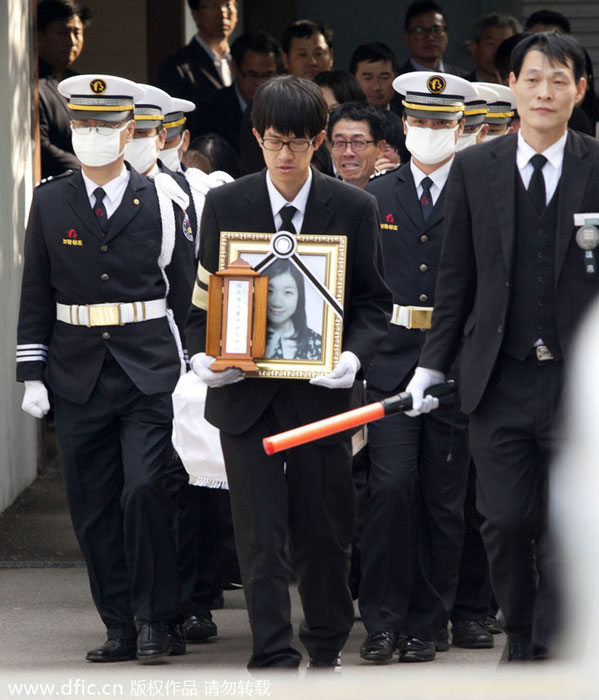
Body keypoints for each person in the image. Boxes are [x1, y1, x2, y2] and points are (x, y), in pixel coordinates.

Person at [185, 74, 391, 670]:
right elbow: (201, 302)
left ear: (320, 141)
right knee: (258, 535)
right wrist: (204, 358)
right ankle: (271, 656)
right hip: (245, 396)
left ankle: (324, 650)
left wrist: (352, 358)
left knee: (324, 533)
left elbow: (375, 304)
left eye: (299, 143)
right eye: (275, 141)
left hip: (322, 399)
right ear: (257, 138)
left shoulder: (354, 206)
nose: (285, 155)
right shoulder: (226, 205)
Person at [406, 32, 599, 662]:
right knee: (507, 521)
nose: (546, 91)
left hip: (579, 383)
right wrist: (431, 366)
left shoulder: (597, 164)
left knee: (569, 527)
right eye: (534, 78)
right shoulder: (474, 168)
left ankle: (549, 642)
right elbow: (454, 279)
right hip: (499, 378)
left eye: (560, 79)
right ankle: (519, 629)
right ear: (511, 85)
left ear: (581, 90)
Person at [16, 74, 194, 663]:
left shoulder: (164, 201)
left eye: (107, 125)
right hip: (76, 372)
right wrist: (32, 374)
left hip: (149, 369)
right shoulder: (49, 199)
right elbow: (36, 292)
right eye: (85, 124)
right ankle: (119, 623)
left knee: (145, 490)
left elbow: (185, 291)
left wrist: (192, 365)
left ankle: (155, 617)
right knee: (92, 506)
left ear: (129, 132)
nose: (95, 135)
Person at [358, 71, 482, 665]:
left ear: (460, 129)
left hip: (457, 364)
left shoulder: (481, 192)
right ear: (403, 127)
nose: (430, 131)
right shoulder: (375, 197)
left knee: (443, 500)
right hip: (391, 363)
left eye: (442, 122)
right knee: (388, 489)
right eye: (420, 121)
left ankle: (429, 625)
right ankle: (382, 620)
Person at [157, 0, 238, 133]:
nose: (223, 13)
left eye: (228, 5)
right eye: (213, 5)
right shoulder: (177, 67)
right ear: (195, 15)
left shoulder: (243, 61)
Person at [195, 31, 280, 154]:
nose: (260, 83)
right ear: (234, 68)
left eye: (268, 75)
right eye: (252, 75)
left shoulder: (284, 108)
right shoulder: (210, 111)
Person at [37, 0, 91, 178]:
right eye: (62, 33)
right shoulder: (33, 84)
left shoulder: (82, 84)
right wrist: (85, 169)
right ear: (40, 37)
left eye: (77, 33)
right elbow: (39, 145)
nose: (71, 41)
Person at [264, 259, 322, 360]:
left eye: (287, 292)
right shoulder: (244, 342)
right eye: (269, 291)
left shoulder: (318, 343)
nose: (277, 303)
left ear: (299, 296)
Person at [328, 101, 386, 189]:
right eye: (340, 143)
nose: (348, 153)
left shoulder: (393, 195)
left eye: (358, 143)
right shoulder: (320, 195)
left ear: (380, 148)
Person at [398, 1, 466, 76]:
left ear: (446, 34)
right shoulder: (396, 82)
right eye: (420, 31)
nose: (430, 37)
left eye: (436, 30)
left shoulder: (463, 79)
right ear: (407, 38)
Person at [466, 12, 521, 83]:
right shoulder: (460, 88)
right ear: (474, 48)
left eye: (505, 46)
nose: (497, 52)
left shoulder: (527, 90)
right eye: (490, 44)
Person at [349, 43, 402, 113]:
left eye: (384, 78)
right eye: (368, 78)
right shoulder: (341, 120)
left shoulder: (405, 121)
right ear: (352, 79)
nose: (376, 87)